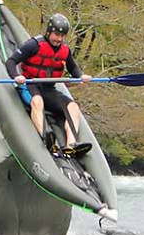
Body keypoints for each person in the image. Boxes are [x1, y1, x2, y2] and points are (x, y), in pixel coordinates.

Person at [5, 14, 93, 155]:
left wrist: (81, 76)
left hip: (48, 89)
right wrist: (16, 76)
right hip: (31, 85)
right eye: (56, 34)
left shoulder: (65, 50)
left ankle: (71, 145)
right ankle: (45, 136)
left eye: (62, 36)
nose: (59, 39)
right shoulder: (34, 45)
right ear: (49, 32)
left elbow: (73, 68)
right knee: (37, 102)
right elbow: (11, 61)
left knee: (73, 107)